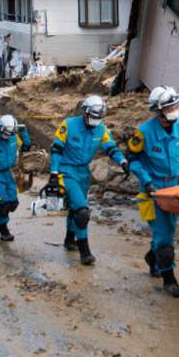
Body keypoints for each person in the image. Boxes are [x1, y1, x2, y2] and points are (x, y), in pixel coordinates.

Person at [127, 86, 179, 297]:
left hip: (175, 187)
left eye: (176, 105)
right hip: (153, 190)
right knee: (164, 236)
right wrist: (146, 182)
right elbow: (133, 160)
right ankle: (169, 280)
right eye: (170, 107)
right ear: (158, 110)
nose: (175, 109)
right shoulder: (144, 133)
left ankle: (152, 258)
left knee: (169, 229)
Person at [48, 95, 129, 265]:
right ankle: (84, 251)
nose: (96, 120)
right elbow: (56, 149)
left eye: (99, 117)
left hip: (83, 173)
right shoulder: (68, 125)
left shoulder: (101, 130)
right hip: (66, 171)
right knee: (82, 211)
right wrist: (54, 173)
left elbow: (111, 148)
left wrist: (122, 161)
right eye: (93, 116)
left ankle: (69, 239)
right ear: (85, 112)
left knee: (74, 209)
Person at [0, 114, 33, 241]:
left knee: (13, 203)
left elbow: (26, 146)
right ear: (0, 128)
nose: (8, 136)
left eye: (11, 133)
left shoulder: (13, 137)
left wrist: (24, 132)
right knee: (5, 204)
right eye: (6, 133)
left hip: (7, 173)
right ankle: (2, 228)